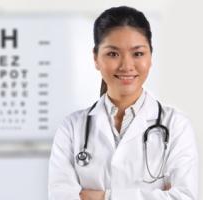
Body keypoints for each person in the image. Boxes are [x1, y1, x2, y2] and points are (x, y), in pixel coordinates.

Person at [48, 6, 199, 200]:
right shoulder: (72, 128)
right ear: (95, 58)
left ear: (150, 57)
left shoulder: (176, 125)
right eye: (113, 54)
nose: (127, 66)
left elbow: (184, 197)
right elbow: (60, 196)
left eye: (137, 54)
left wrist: (100, 197)